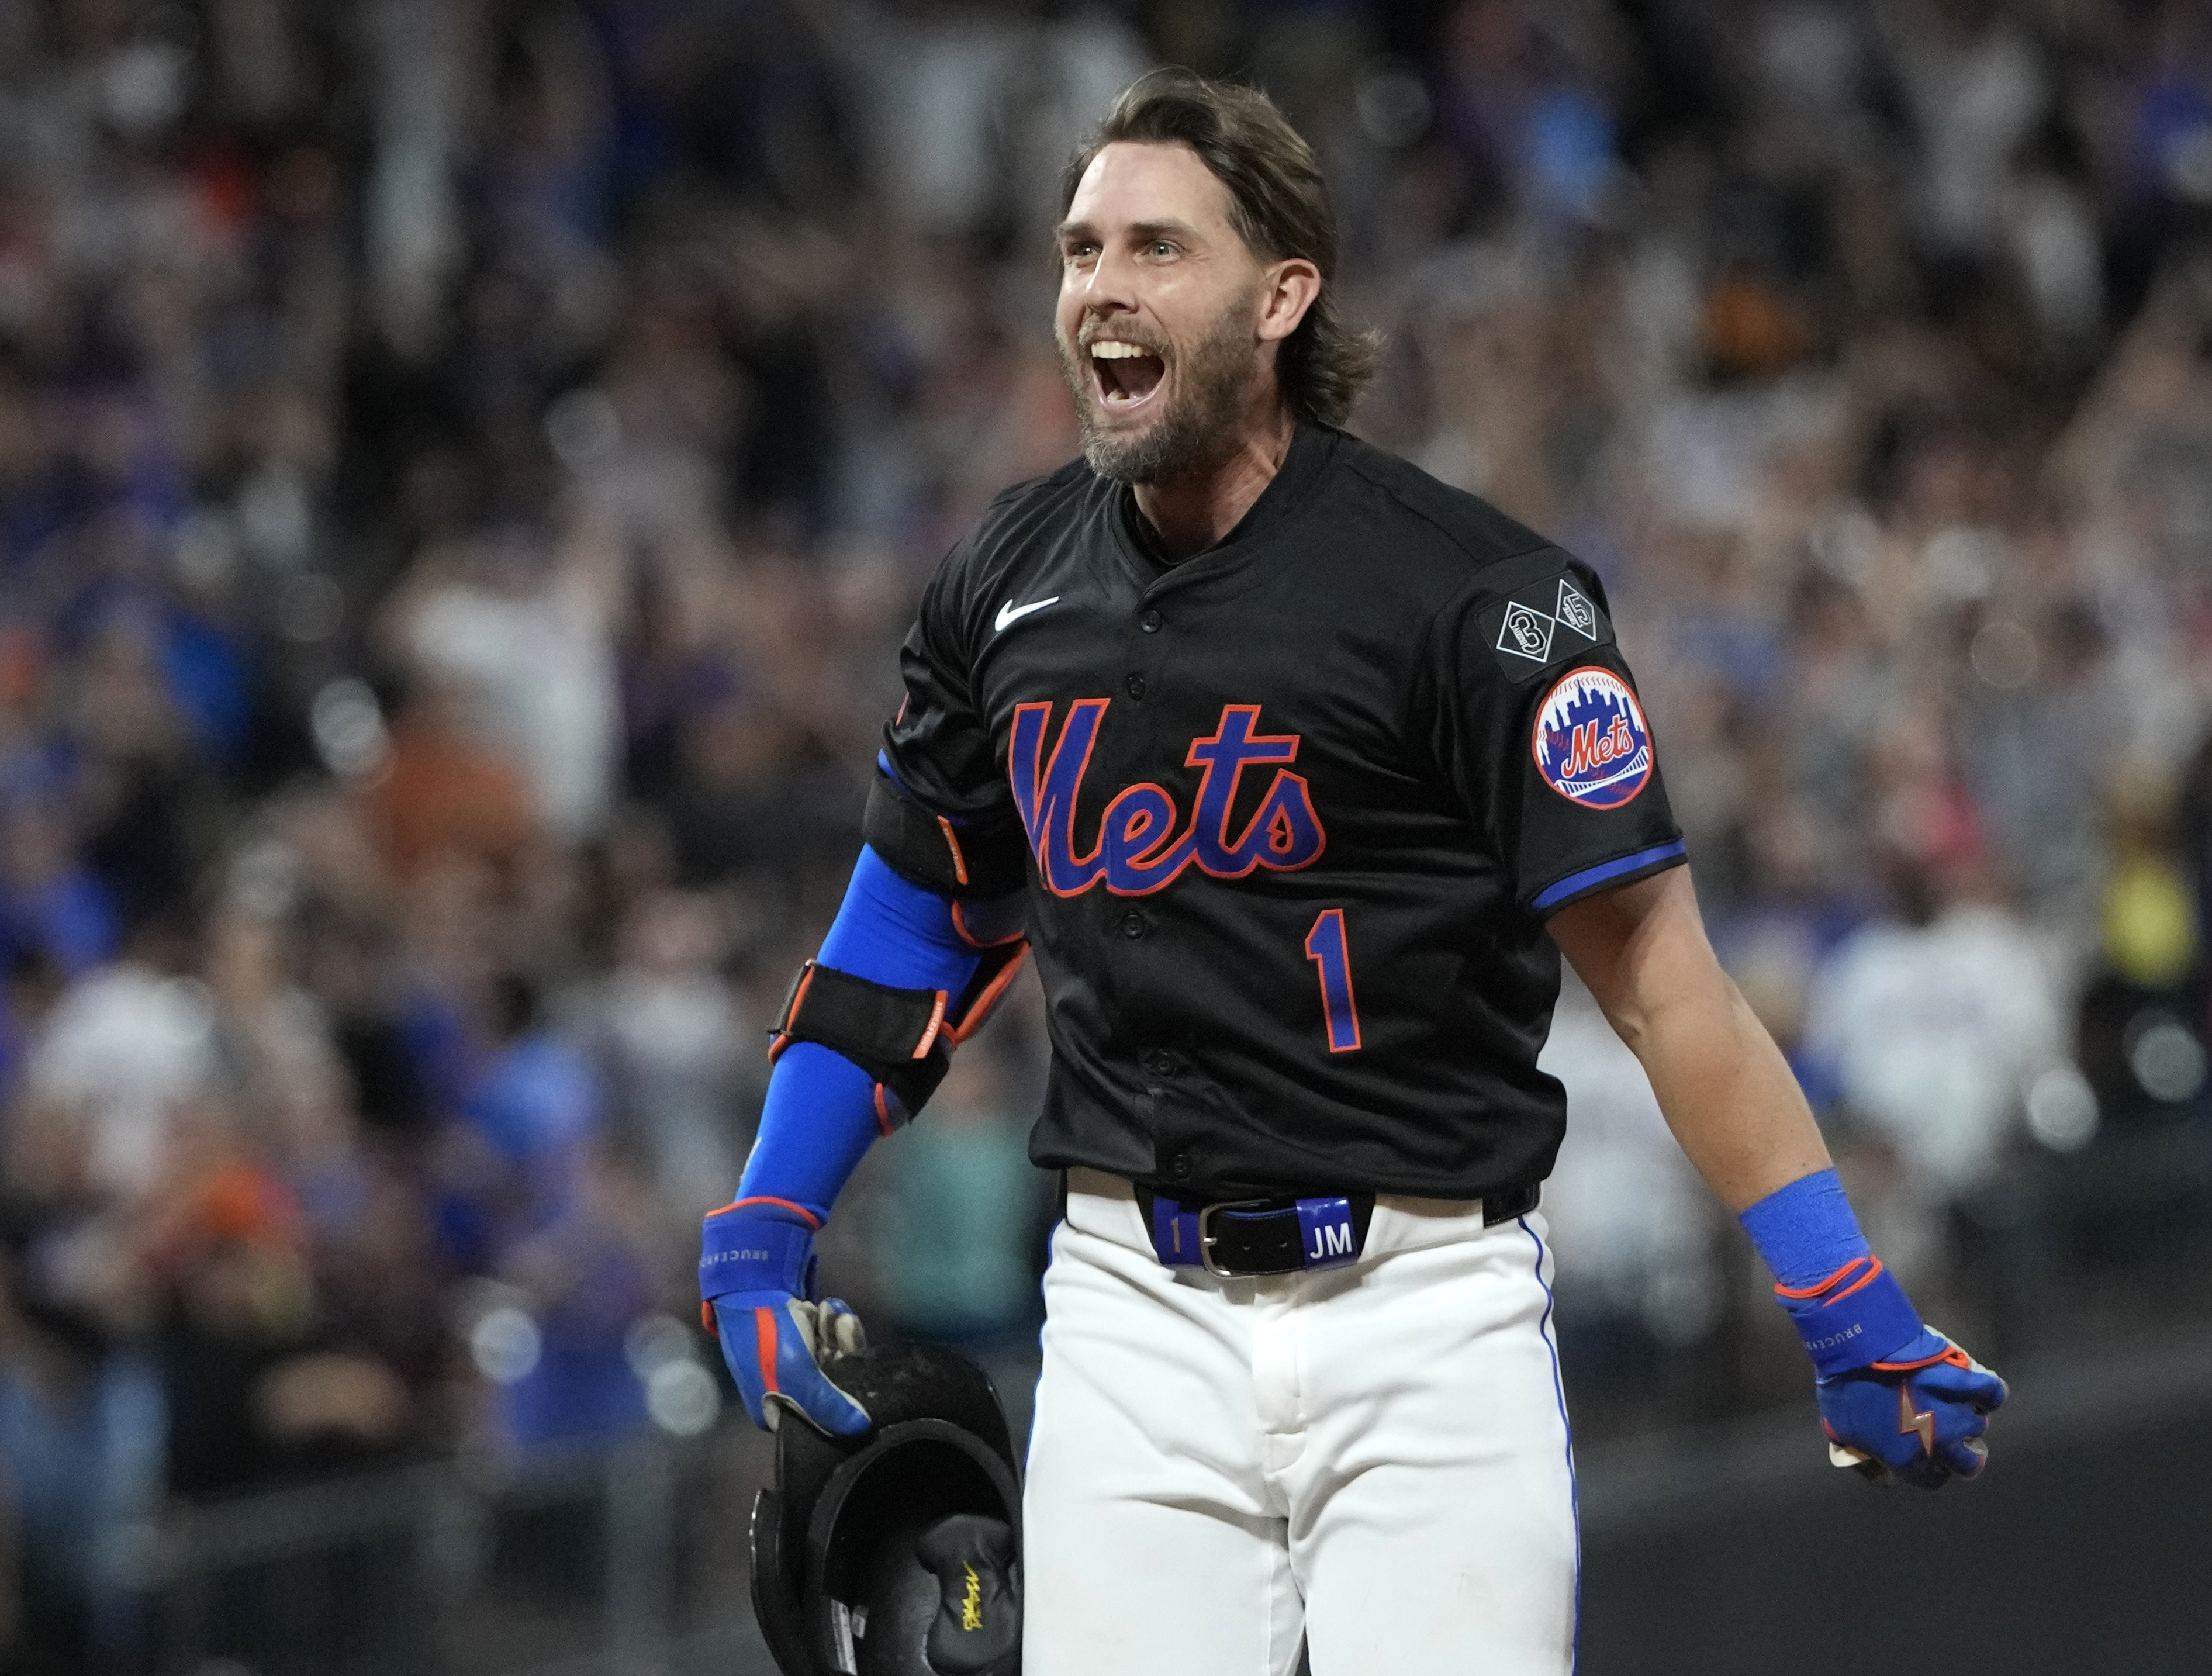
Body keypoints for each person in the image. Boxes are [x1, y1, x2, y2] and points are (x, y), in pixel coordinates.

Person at [697, 71, 2005, 1675]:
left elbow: (1664, 983)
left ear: (1282, 296)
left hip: (1426, 1309)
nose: (1099, 285)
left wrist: (1843, 1292)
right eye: (1078, 248)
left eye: (1156, 247)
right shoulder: (1008, 584)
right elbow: (913, 914)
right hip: (1130, 1309)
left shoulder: (1476, 602)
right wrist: (770, 1204)